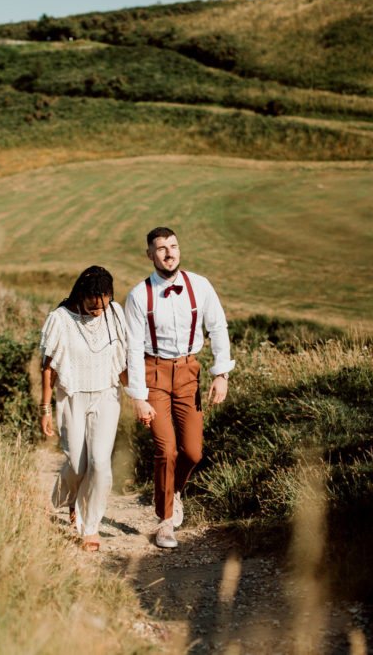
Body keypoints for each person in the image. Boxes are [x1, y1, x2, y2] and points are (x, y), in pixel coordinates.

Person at [124, 227, 234, 549]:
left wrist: (221, 374)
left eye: (173, 246)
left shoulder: (199, 286)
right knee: (166, 449)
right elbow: (132, 348)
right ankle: (164, 521)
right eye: (161, 248)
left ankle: (174, 492)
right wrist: (138, 397)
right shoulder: (137, 295)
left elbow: (218, 327)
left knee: (192, 452)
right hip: (152, 373)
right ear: (150, 255)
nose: (169, 253)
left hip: (189, 372)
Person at [39, 265, 128, 552]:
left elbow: (123, 360)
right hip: (72, 396)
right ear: (81, 295)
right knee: (77, 463)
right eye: (93, 306)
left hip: (107, 395)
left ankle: (90, 527)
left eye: (104, 304)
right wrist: (44, 408)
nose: (98, 311)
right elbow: (48, 368)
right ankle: (66, 499)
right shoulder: (60, 319)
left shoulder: (115, 314)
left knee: (100, 463)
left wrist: (140, 398)